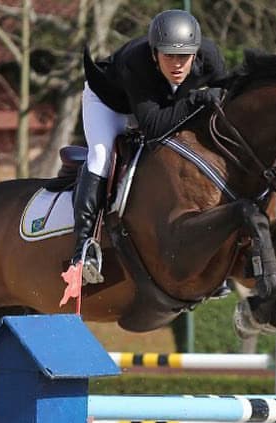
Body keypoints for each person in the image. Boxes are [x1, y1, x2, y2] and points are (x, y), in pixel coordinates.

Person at [71, 9, 225, 286]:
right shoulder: (136, 62)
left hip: (160, 103)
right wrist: (194, 101)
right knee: (102, 156)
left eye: (184, 57)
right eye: (169, 56)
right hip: (110, 103)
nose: (177, 65)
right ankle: (83, 250)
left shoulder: (210, 58)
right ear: (155, 54)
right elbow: (153, 128)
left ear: (196, 53)